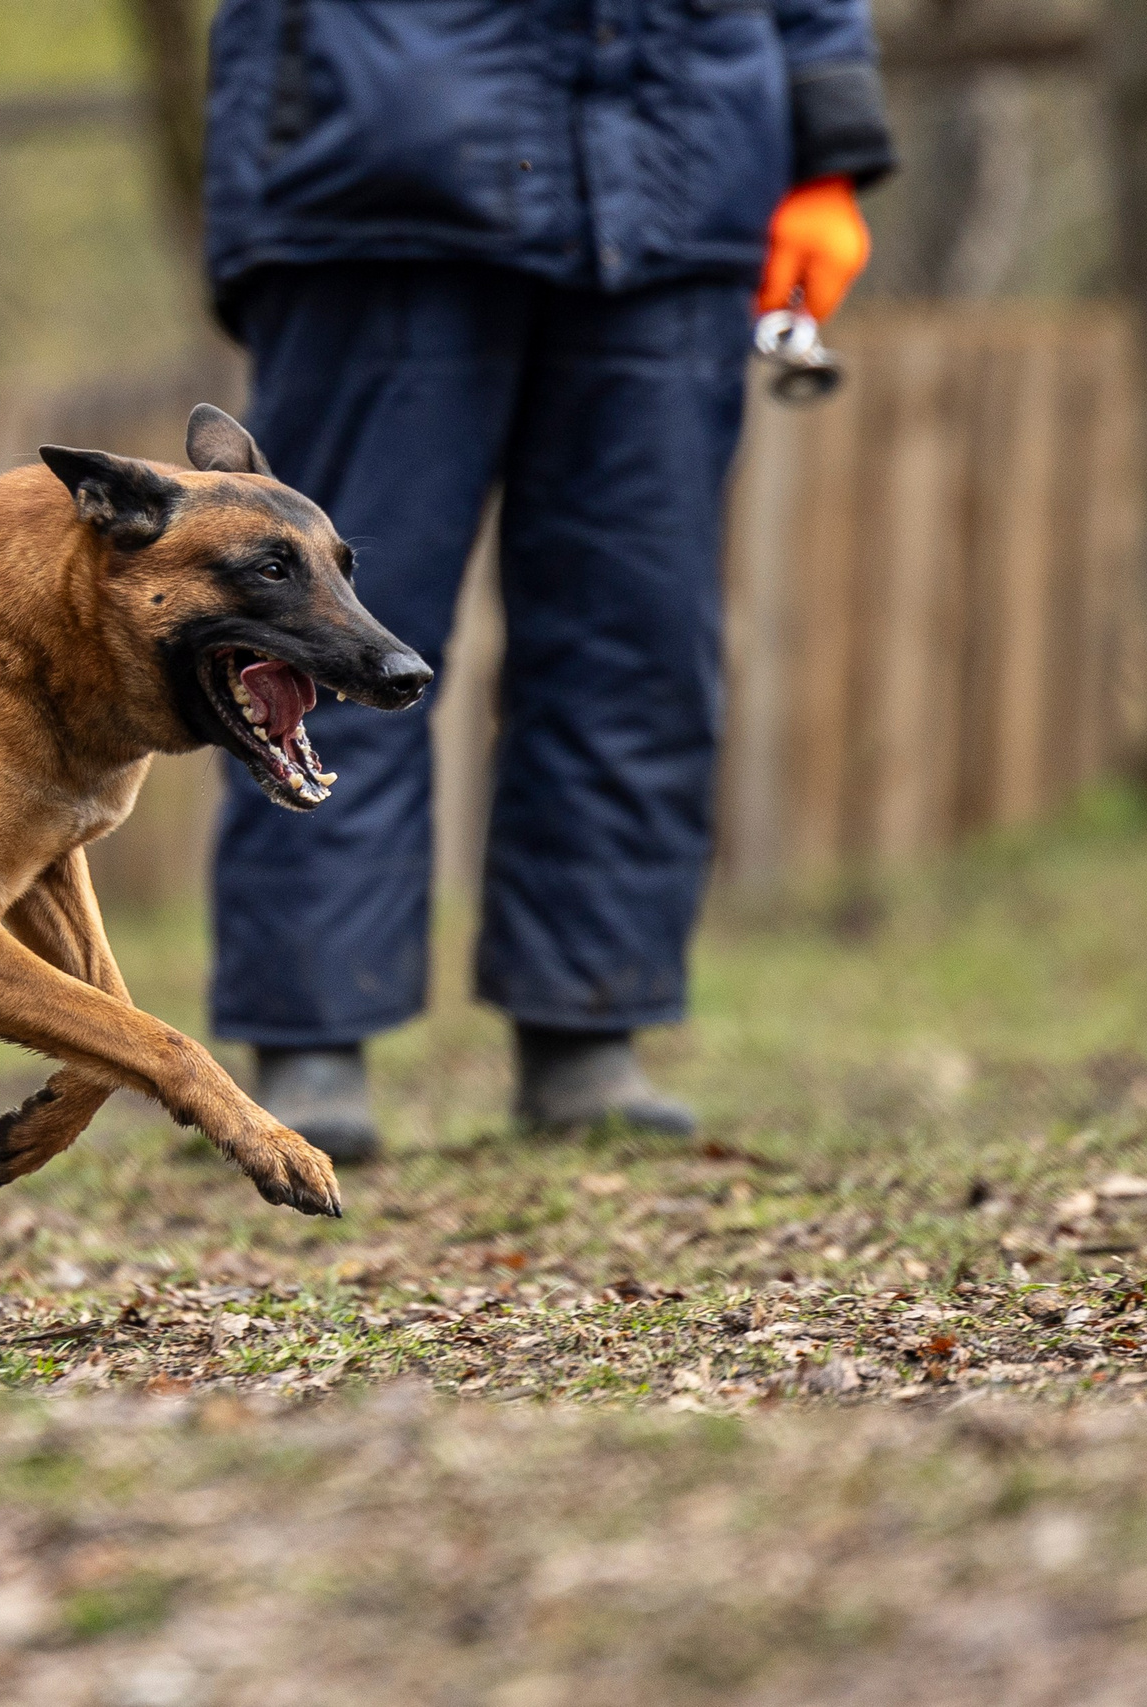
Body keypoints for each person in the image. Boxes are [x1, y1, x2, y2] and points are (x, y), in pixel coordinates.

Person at [200, 0, 895, 1159]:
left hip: (680, 181)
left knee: (638, 635)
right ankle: (309, 1035)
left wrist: (827, 146)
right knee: (324, 634)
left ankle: (589, 1026)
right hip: (381, 169)